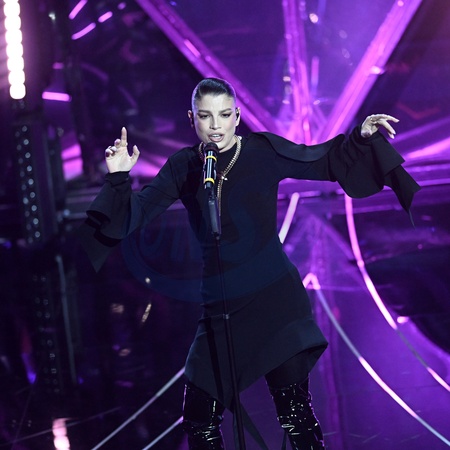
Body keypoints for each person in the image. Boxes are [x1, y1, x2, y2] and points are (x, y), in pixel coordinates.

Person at [78, 77, 420, 449]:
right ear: (192, 118)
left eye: (224, 115)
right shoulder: (184, 166)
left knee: (294, 415)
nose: (215, 125)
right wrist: (118, 177)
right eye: (205, 116)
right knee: (199, 421)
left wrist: (362, 137)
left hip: (276, 303)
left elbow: (321, 159)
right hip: (221, 307)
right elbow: (135, 215)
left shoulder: (261, 150)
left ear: (237, 117)